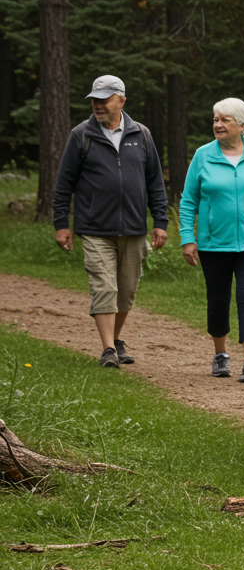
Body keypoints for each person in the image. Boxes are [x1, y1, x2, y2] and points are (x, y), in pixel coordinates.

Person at [52, 75, 168, 368]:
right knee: (104, 287)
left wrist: (160, 221)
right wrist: (61, 224)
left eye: (104, 99)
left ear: (121, 100)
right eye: (94, 99)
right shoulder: (81, 135)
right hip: (95, 229)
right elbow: (64, 184)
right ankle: (107, 349)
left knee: (126, 291)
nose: (98, 105)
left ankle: (115, 340)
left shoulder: (142, 134)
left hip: (134, 228)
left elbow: (155, 182)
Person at [179, 97, 244, 383]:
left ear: (242, 125)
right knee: (218, 300)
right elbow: (188, 201)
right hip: (213, 244)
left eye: (224, 120)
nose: (218, 124)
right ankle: (220, 354)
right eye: (216, 119)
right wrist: (187, 238)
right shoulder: (203, 155)